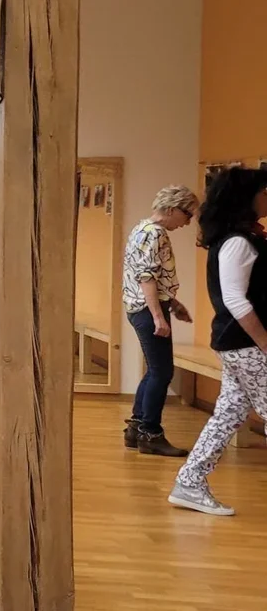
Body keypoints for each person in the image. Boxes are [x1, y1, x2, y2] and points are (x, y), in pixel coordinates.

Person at [169, 168, 267, 516]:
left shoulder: (243, 237)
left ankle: (190, 482)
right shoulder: (237, 242)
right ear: (247, 198)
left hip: (238, 344)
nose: (266, 196)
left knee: (228, 414)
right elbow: (236, 301)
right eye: (263, 191)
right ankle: (190, 483)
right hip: (247, 344)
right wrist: (265, 344)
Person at [121, 185, 200, 456]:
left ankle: (136, 428)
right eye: (187, 214)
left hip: (145, 307)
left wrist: (173, 305)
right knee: (162, 371)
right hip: (146, 310)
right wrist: (158, 316)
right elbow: (146, 278)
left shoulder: (144, 229)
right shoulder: (152, 234)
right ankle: (150, 433)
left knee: (156, 370)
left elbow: (151, 276)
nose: (188, 221)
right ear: (171, 209)